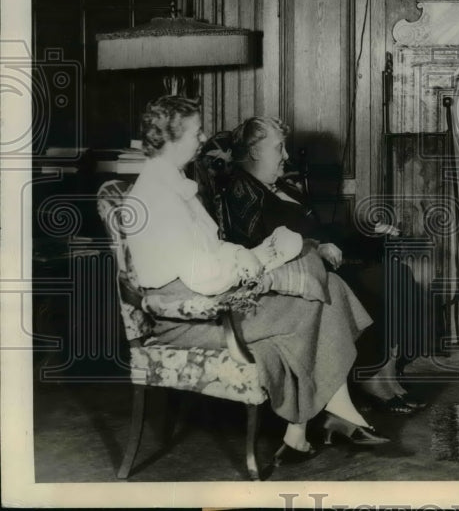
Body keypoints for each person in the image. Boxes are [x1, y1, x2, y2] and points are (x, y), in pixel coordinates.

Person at [125, 96, 391, 469]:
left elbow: (210, 251)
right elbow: (204, 276)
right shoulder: (158, 197)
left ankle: (308, 430)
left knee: (323, 286)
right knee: (322, 293)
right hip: (187, 320)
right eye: (196, 131)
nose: (203, 138)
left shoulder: (172, 186)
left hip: (206, 301)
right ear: (171, 137)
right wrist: (257, 262)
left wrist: (256, 256)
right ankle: (315, 423)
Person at [221, 116, 427, 415]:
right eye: (279, 149)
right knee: (382, 280)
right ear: (254, 152)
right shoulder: (242, 192)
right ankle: (371, 378)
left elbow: (322, 231)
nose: (287, 157)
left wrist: (368, 235)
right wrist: (314, 248)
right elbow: (259, 249)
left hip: (322, 263)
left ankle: (386, 373)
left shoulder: (282, 187)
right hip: (299, 274)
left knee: (397, 274)